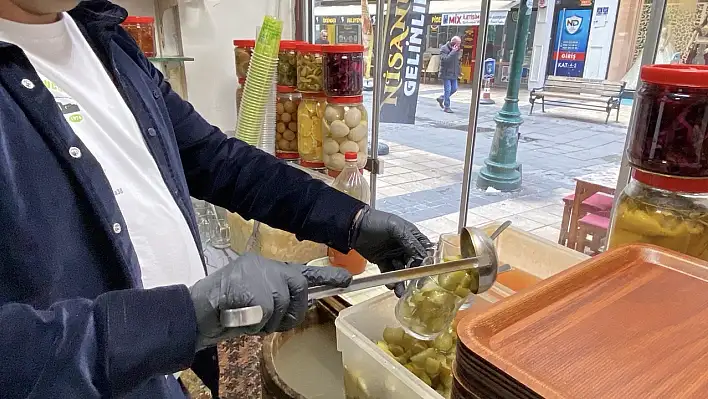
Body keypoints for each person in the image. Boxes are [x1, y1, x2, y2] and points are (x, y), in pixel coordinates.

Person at [0, 1, 432, 398]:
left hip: (180, 372)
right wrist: (181, 317)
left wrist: (349, 220)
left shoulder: (104, 38)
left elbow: (217, 160)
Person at [437, 36, 462, 113]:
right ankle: (446, 106)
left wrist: (459, 71)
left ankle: (442, 98)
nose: (459, 45)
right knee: (447, 90)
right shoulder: (444, 48)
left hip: (454, 73)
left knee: (454, 88)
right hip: (446, 73)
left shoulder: (456, 49)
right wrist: (453, 51)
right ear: (453, 42)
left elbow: (456, 62)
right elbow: (445, 59)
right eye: (458, 43)